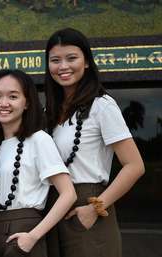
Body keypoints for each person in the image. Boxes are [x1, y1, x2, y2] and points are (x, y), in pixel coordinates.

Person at [43, 28, 145, 257]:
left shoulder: (102, 106)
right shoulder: (48, 113)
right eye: (55, 60)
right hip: (54, 207)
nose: (63, 67)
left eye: (72, 58)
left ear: (87, 61)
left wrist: (95, 208)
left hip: (87, 205)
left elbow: (135, 165)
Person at [0, 69, 76, 257]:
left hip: (24, 232)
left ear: (27, 103)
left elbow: (68, 194)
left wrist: (33, 236)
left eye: (13, 96)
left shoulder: (39, 140)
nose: (3, 103)